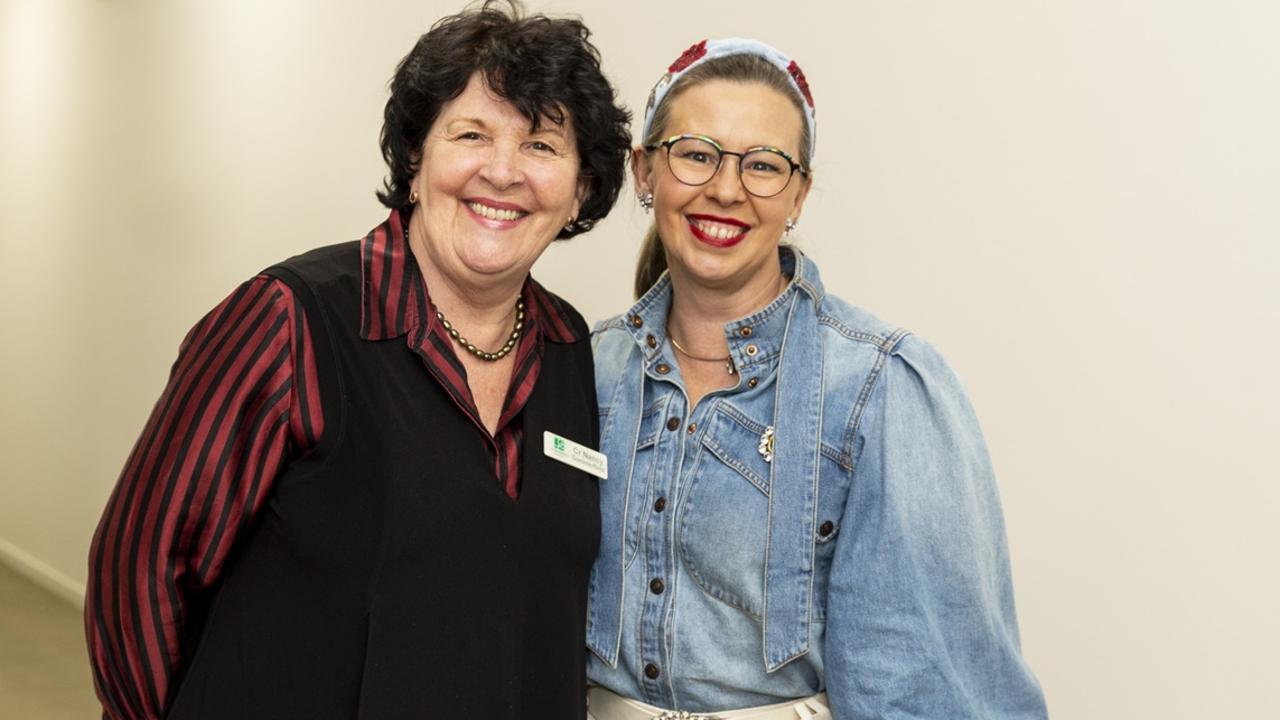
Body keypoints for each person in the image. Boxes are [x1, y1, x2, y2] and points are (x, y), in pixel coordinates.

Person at [84, 3, 630, 718]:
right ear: (415, 158)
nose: (503, 172)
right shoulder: (288, 320)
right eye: (472, 134)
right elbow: (142, 568)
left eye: (541, 146)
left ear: (581, 188)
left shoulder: (570, 351)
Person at [586, 38, 1048, 719]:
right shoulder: (581, 368)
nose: (725, 188)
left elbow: (924, 686)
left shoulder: (879, 388)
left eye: (764, 165)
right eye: (694, 153)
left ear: (798, 193)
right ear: (645, 171)